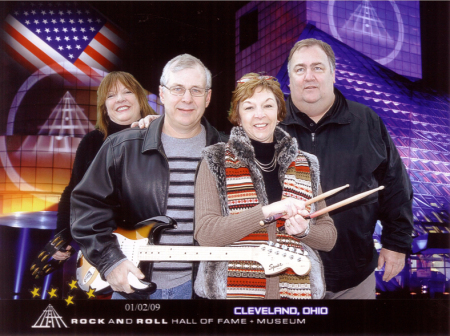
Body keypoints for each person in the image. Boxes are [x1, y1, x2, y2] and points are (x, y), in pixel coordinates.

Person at [71, 54, 228, 299]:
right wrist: (110, 261)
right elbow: (86, 209)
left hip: (201, 291)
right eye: (177, 89)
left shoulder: (228, 152)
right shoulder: (121, 146)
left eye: (196, 90)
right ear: (162, 94)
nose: (187, 98)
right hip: (131, 286)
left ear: (207, 97)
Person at [280, 38, 413, 299]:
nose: (309, 77)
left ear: (333, 73)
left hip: (353, 277)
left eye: (318, 68)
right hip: (284, 275)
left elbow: (396, 186)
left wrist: (396, 244)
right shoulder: (269, 124)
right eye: (300, 69)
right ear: (289, 77)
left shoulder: (366, 121)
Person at [193, 73, 337, 299]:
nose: (260, 115)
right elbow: (206, 233)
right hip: (232, 296)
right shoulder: (215, 159)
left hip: (296, 295)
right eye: (249, 107)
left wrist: (304, 231)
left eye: (268, 105)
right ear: (238, 116)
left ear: (279, 113)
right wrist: (267, 211)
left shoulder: (305, 163)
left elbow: (329, 237)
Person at [51, 71, 155, 261]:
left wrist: (164, 127)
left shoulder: (160, 134)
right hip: (105, 247)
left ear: (140, 98)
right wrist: (62, 235)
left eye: (127, 92)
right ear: (104, 106)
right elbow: (73, 192)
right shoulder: (92, 141)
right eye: (111, 95)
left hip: (154, 245)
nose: (120, 99)